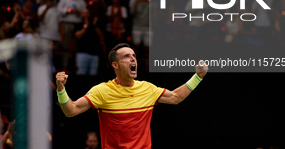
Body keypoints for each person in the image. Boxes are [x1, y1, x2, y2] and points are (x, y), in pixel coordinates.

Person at [56, 43, 208, 149]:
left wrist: (198, 77)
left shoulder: (147, 89)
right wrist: (61, 89)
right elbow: (71, 110)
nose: (133, 59)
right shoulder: (102, 91)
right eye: (127, 56)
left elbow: (176, 97)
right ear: (115, 65)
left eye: (134, 56)